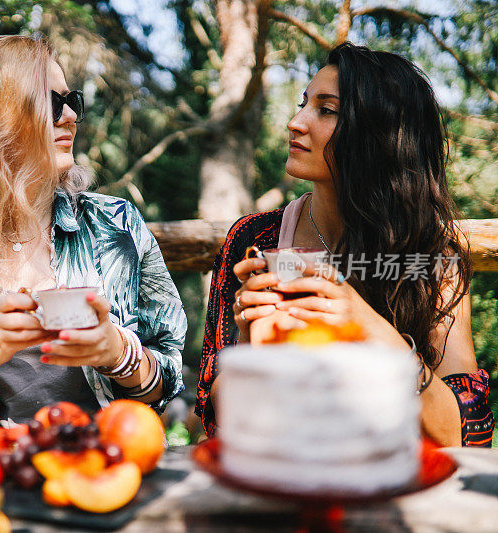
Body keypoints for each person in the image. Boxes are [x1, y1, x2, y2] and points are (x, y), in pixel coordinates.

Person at [197, 42, 493, 447]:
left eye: (326, 110)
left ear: (380, 134)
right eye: (303, 103)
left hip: (391, 487)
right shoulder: (253, 241)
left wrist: (371, 327)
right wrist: (249, 348)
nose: (296, 122)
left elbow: (468, 434)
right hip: (281, 477)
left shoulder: (431, 255)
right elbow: (216, 425)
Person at [0, 35, 187, 435]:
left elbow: (168, 378)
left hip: (110, 459)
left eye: (72, 102)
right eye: (49, 103)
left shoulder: (116, 225)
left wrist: (119, 354)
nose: (69, 116)